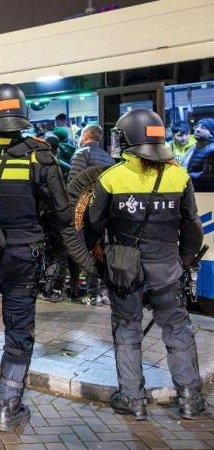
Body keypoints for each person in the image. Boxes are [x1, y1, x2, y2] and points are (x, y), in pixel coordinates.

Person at [0, 84, 94, 431]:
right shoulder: (40, 156)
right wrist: (70, 260)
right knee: (19, 331)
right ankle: (9, 408)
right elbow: (61, 216)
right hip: (25, 258)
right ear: (22, 114)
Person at [89, 108, 207, 420]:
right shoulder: (179, 176)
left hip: (125, 272)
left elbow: (93, 225)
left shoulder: (110, 178)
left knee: (127, 331)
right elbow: (192, 227)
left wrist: (103, 262)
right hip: (168, 271)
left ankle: (132, 399)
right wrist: (180, 261)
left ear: (126, 139)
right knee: (178, 331)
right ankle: (190, 399)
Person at [67, 124, 115, 306]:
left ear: (86, 135)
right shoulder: (108, 157)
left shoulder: (82, 153)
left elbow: (73, 185)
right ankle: (102, 292)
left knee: (86, 252)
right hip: (104, 213)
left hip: (85, 212)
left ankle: (92, 294)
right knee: (100, 251)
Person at [185, 118, 214, 192]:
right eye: (197, 126)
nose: (198, 129)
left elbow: (207, 176)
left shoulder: (212, 151)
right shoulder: (193, 148)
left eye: (203, 128)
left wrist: (184, 176)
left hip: (207, 192)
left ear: (212, 133)